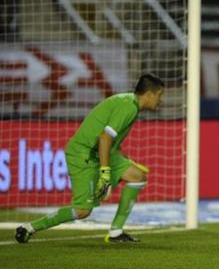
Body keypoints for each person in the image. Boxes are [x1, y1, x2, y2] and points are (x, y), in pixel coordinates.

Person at [15, 73, 165, 243]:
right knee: (82, 211)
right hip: (83, 153)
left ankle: (116, 232)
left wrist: (123, 160)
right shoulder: (128, 107)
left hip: (102, 152)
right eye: (159, 95)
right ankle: (29, 228)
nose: (160, 100)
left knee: (137, 176)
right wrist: (105, 172)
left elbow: (112, 141)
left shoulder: (129, 103)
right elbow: (104, 138)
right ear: (149, 94)